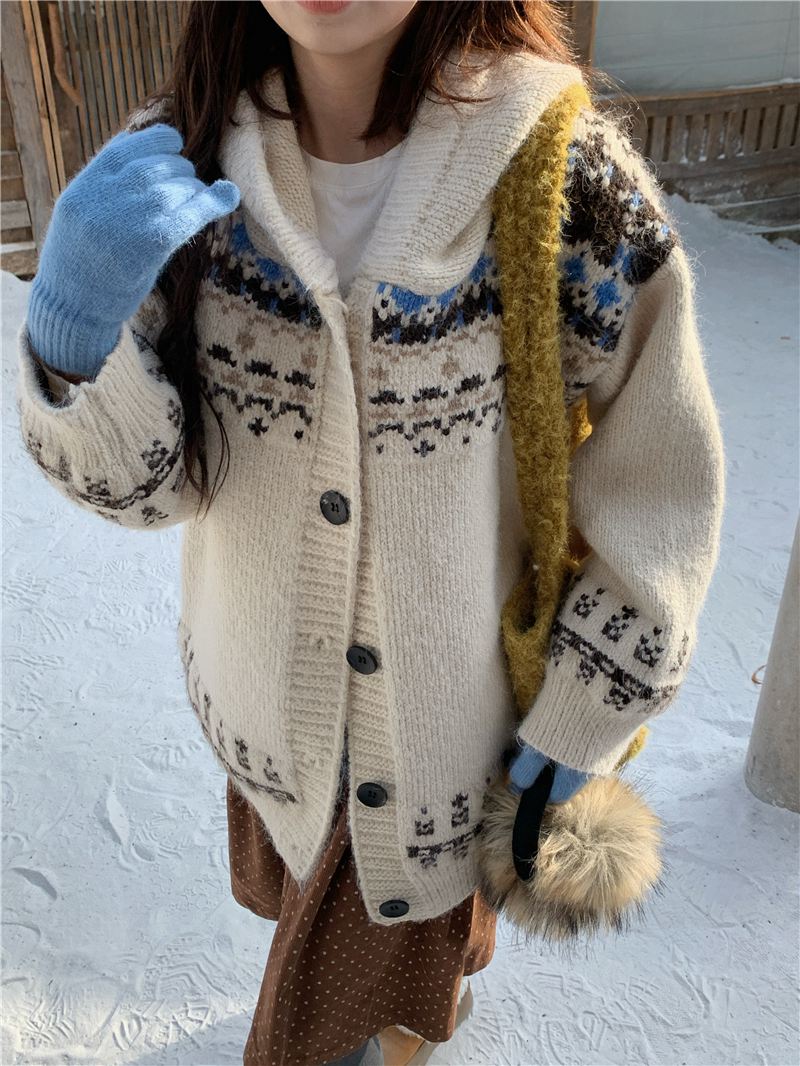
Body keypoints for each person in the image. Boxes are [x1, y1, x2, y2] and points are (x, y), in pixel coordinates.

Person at [15, 2, 725, 1064]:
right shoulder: (179, 162)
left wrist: (590, 705)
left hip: (451, 731)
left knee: (319, 1019)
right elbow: (150, 493)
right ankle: (421, 1012)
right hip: (269, 709)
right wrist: (74, 340)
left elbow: (659, 480)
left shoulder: (565, 176)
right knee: (369, 931)